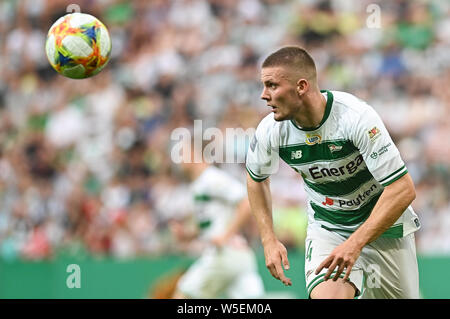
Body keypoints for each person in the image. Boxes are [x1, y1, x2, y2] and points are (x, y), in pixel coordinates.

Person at [246, 46, 421, 299]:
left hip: (385, 227)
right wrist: (268, 239)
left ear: (302, 86)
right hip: (330, 228)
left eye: (272, 85)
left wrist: (356, 243)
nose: (264, 95)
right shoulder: (270, 131)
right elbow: (256, 180)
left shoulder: (356, 118)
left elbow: (403, 189)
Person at [169, 141, 265, 299]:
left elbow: (246, 202)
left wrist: (226, 235)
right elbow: (208, 224)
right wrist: (186, 235)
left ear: (194, 153)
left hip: (224, 254)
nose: (180, 161)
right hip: (239, 254)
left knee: (183, 295)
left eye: (183, 154)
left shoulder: (211, 178)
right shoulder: (199, 184)